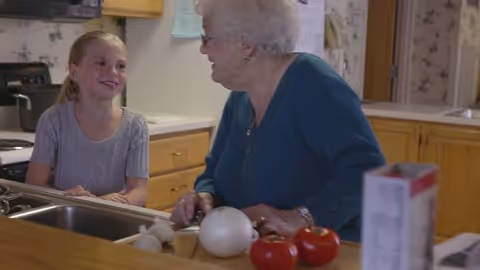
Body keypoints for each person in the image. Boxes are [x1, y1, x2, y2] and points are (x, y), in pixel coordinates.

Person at [170, 0, 386, 242]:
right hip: (258, 253)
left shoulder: (312, 83)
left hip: (326, 253)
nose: (203, 50)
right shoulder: (239, 98)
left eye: (207, 38)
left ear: (246, 44)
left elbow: (369, 170)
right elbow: (213, 172)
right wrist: (205, 196)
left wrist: (302, 218)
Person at [26, 31, 149, 206]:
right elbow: (34, 186)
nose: (113, 72)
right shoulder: (53, 120)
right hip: (64, 219)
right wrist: (66, 196)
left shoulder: (135, 125)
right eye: (101, 63)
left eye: (121, 66)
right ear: (75, 73)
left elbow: (139, 191)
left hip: (116, 220)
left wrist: (107, 204)